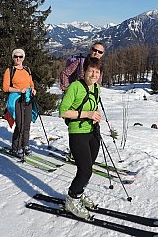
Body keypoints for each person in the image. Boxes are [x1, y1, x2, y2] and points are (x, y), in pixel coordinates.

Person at [59, 56, 103, 219]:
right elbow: (63, 111)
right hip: (78, 133)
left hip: (92, 132)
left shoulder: (96, 88)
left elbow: (93, 106)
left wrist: (95, 116)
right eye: (91, 70)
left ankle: (79, 192)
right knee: (85, 170)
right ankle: (71, 200)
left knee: (88, 169)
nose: (93, 74)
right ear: (84, 71)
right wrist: (86, 114)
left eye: (97, 71)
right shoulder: (75, 87)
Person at [3, 48, 36, 158]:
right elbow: (5, 88)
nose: (18, 58)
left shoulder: (27, 69)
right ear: (13, 58)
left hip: (27, 98)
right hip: (16, 99)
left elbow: (31, 83)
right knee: (20, 125)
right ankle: (16, 148)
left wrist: (33, 89)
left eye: (20, 56)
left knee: (27, 123)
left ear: (23, 58)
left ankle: (25, 145)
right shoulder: (9, 70)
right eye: (16, 56)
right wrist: (18, 90)